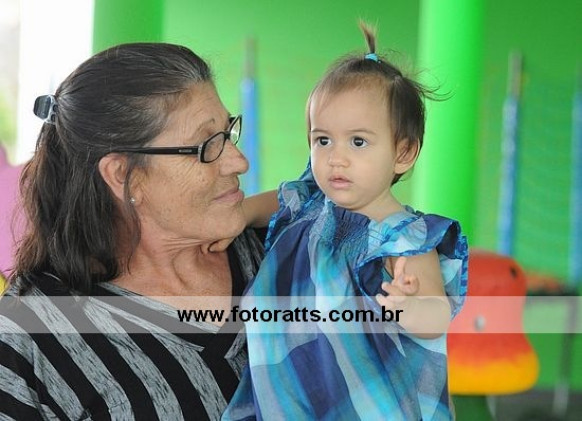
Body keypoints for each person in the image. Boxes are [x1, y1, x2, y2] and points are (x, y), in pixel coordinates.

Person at [0, 42, 265, 420]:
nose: (238, 162)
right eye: (207, 146)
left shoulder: (281, 251)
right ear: (123, 174)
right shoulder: (28, 337)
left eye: (227, 132)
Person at [221, 23, 468, 420]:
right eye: (323, 140)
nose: (336, 158)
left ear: (403, 153)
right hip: (294, 385)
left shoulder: (402, 237)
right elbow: (272, 202)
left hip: (371, 396)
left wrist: (408, 305)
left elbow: (436, 317)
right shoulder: (310, 201)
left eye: (358, 142)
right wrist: (240, 214)